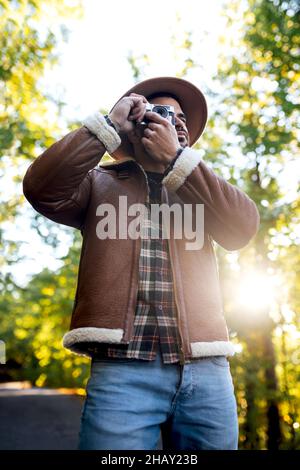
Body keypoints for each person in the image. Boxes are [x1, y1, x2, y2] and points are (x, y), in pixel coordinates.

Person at [23, 76, 260, 450]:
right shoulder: (97, 183)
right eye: (164, 112)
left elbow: (242, 228)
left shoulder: (202, 187)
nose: (178, 121)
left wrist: (179, 162)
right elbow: (41, 189)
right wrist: (108, 126)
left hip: (207, 371)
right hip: (122, 372)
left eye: (182, 117)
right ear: (139, 122)